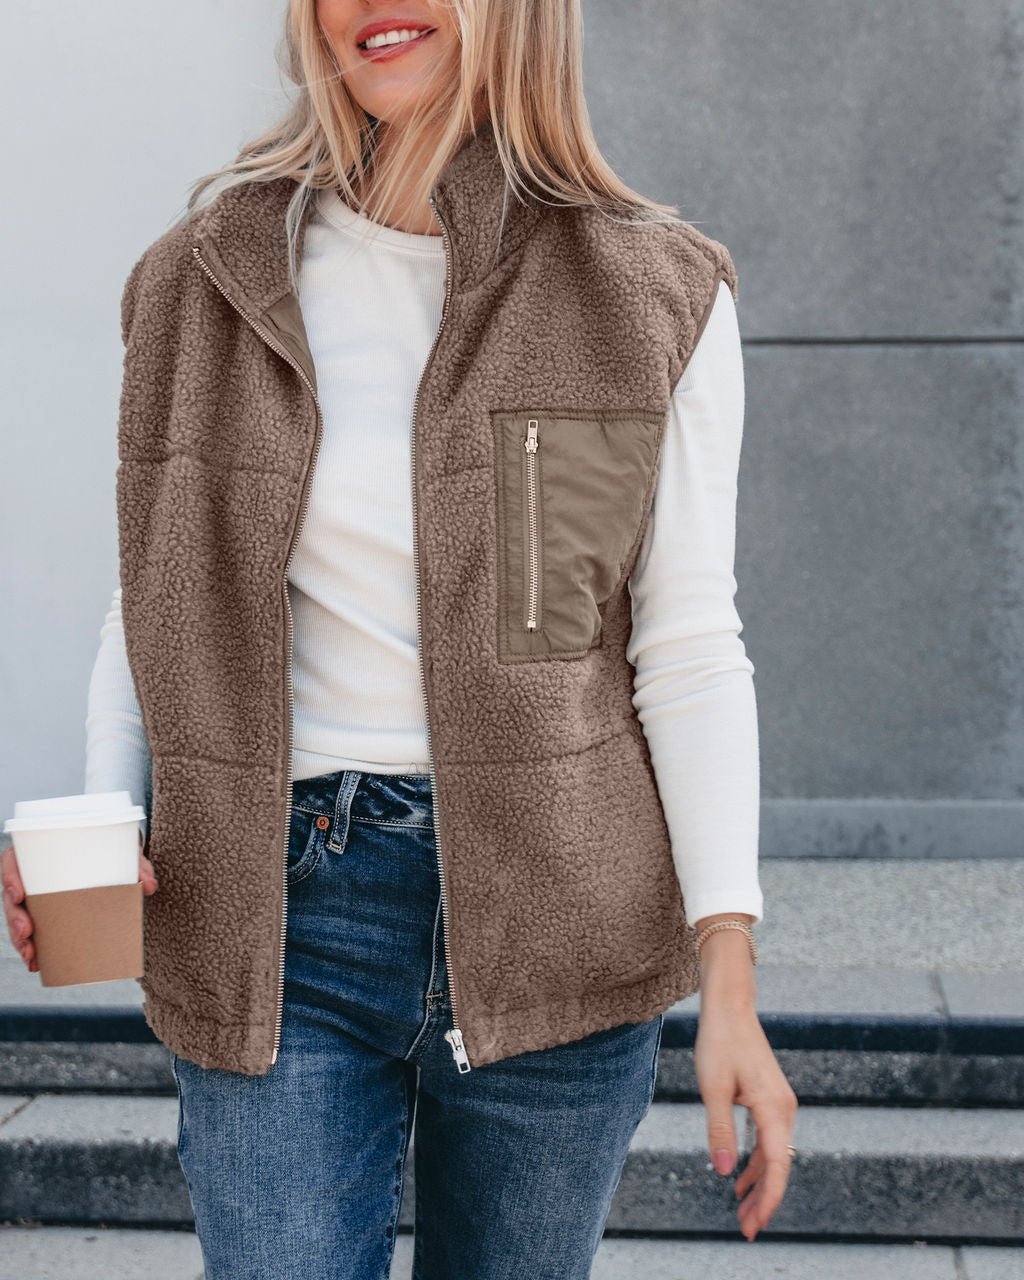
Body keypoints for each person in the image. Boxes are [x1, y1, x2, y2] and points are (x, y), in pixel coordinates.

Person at [2, 0, 798, 1274]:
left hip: (556, 907)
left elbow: (686, 642)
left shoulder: (642, 292)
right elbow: (152, 598)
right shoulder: (202, 279)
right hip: (278, 912)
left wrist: (731, 973)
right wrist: (106, 833)